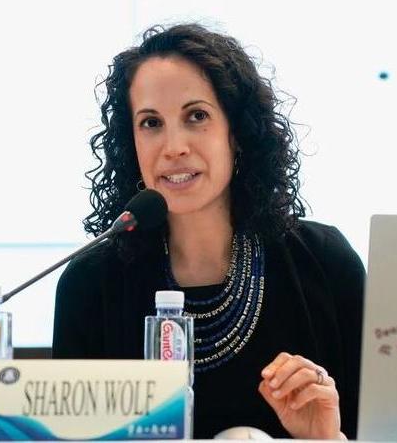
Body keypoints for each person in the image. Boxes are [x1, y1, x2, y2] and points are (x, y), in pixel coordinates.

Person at [52, 24, 365, 440]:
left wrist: (326, 439)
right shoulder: (90, 284)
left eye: (196, 116)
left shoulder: (325, 263)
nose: (174, 147)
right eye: (151, 123)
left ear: (237, 132)